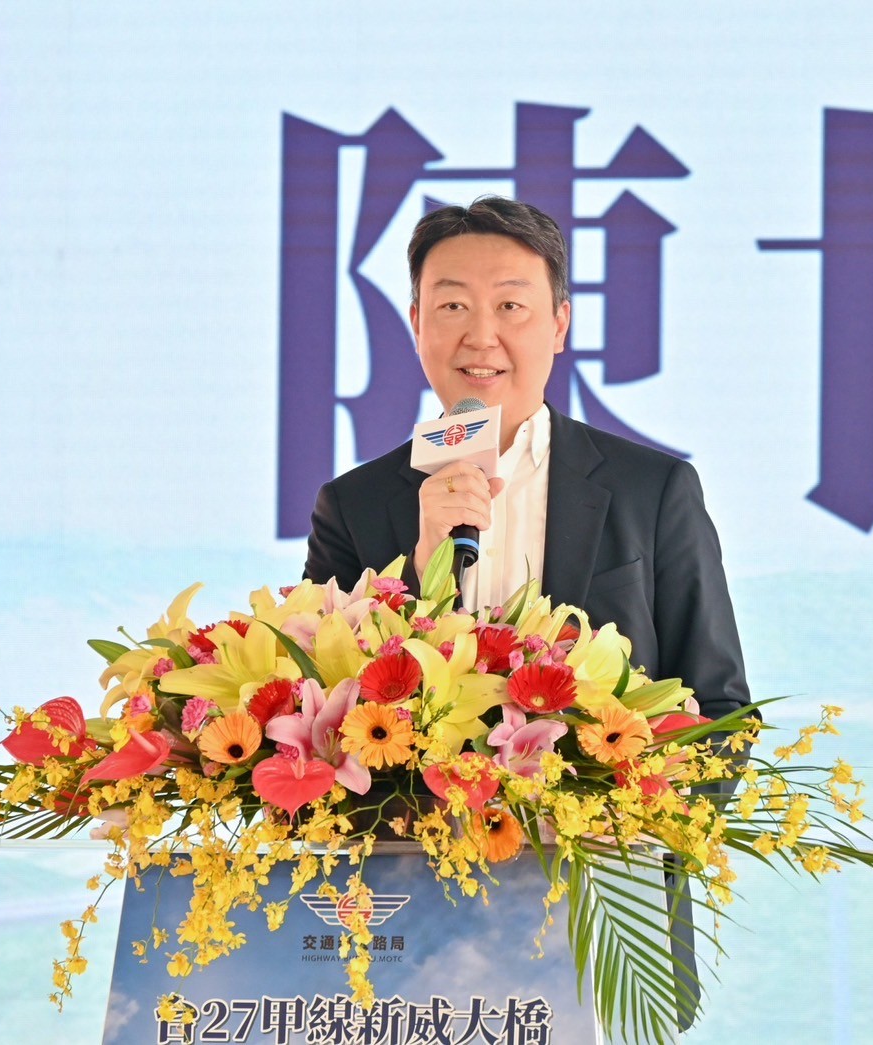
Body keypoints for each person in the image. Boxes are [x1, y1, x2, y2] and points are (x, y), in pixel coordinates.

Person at [301, 196, 749, 1027]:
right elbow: (322, 714)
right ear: (415, 323)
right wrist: (423, 561)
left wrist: (631, 825)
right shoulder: (356, 505)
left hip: (605, 925)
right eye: (452, 306)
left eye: (510, 305)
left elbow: (719, 709)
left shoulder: (650, 491)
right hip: (404, 942)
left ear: (559, 323)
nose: (481, 335)